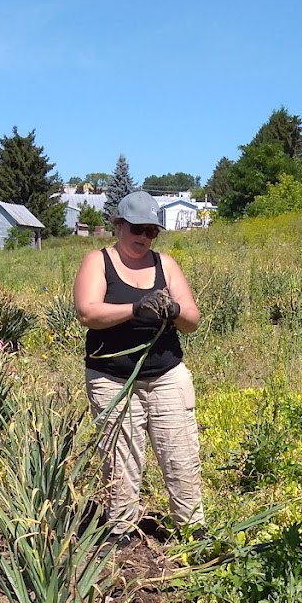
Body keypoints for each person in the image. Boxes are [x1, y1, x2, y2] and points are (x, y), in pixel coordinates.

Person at [73, 190, 205, 545]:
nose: (143, 237)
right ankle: (121, 529)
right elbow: (88, 312)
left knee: (179, 453)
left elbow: (192, 319)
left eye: (151, 231)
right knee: (121, 458)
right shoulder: (98, 262)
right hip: (112, 377)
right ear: (119, 226)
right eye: (137, 229)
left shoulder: (166, 265)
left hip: (166, 375)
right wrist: (135, 309)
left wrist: (173, 311)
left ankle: (192, 527)